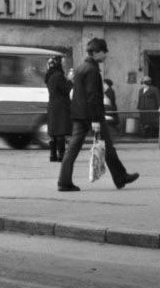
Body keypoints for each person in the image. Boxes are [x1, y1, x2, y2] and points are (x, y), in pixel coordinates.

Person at [58, 39, 139, 192]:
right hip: (92, 115)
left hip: (79, 115)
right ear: (95, 53)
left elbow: (76, 95)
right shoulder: (92, 71)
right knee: (107, 146)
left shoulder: (81, 68)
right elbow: (93, 97)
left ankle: (63, 181)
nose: (106, 54)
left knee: (72, 149)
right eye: (103, 51)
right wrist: (95, 119)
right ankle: (121, 176)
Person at [45, 55, 71, 162]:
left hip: (52, 105)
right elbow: (65, 90)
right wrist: (70, 80)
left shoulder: (50, 76)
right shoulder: (59, 76)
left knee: (54, 132)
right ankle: (61, 155)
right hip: (60, 106)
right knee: (60, 131)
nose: (64, 65)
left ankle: (52, 155)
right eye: (63, 62)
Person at [135, 75, 160, 141]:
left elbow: (159, 98)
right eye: (142, 83)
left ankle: (154, 137)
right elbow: (140, 99)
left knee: (152, 122)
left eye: (143, 83)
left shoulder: (154, 89)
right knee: (144, 122)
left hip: (151, 108)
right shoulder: (141, 90)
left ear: (147, 83)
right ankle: (145, 136)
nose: (142, 84)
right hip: (143, 109)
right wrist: (139, 107)